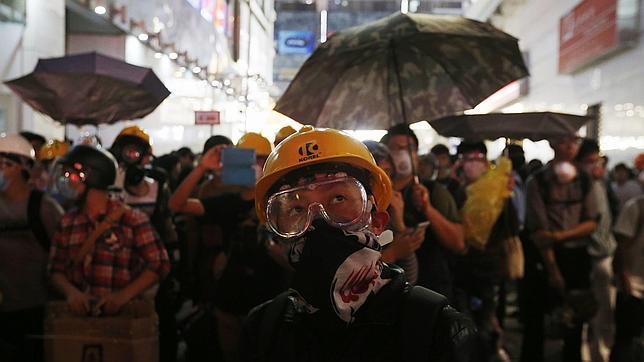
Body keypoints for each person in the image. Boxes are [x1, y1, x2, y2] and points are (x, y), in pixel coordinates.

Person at [240, 126, 476, 362]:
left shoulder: (435, 328)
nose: (319, 223)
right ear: (279, 232)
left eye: (339, 198)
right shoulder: (264, 327)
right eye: (297, 209)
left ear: (376, 221)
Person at [169, 132, 290, 362]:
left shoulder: (285, 203)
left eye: (260, 160)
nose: (255, 167)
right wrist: (202, 167)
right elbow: (176, 204)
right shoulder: (228, 203)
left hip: (272, 298)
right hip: (230, 296)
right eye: (248, 161)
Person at [49, 144, 170, 316]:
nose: (68, 181)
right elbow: (55, 269)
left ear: (93, 178)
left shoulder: (132, 220)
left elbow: (159, 265)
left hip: (123, 322)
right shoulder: (68, 221)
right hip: (77, 321)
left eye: (72, 176)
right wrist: (71, 293)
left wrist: (122, 297)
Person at [523, 134, 598, 362]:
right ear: (553, 143)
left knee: (575, 318)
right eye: (565, 141)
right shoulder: (537, 181)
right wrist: (553, 269)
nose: (570, 146)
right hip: (544, 258)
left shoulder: (585, 180)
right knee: (536, 320)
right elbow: (538, 232)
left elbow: (592, 222)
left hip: (576, 256)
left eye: (574, 142)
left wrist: (559, 235)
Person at [381, 124, 465, 301]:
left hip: (433, 289)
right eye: (397, 148)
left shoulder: (434, 192)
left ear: (417, 155)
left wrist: (427, 208)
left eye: (409, 148)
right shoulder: (375, 194)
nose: (403, 153)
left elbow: (458, 243)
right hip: (390, 293)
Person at [0, 134, 64, 362]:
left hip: (40, 310)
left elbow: (65, 256)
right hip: (5, 310)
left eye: (3, 165)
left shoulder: (44, 208)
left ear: (22, 168)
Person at [576, 139, 617, 362]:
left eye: (597, 160)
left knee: (602, 312)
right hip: (593, 255)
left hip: (601, 254)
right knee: (596, 311)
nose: (595, 165)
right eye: (590, 161)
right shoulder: (582, 184)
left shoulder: (600, 183)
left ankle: (599, 354)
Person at [364, 140, 422, 285]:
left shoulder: (385, 213)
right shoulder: (354, 216)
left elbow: (409, 278)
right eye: (378, 174)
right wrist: (392, 253)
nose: (385, 181)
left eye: (388, 173)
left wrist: (399, 224)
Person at [611, 193, 644, 362]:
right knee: (626, 341)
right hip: (634, 287)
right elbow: (621, 246)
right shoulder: (636, 206)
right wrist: (624, 277)